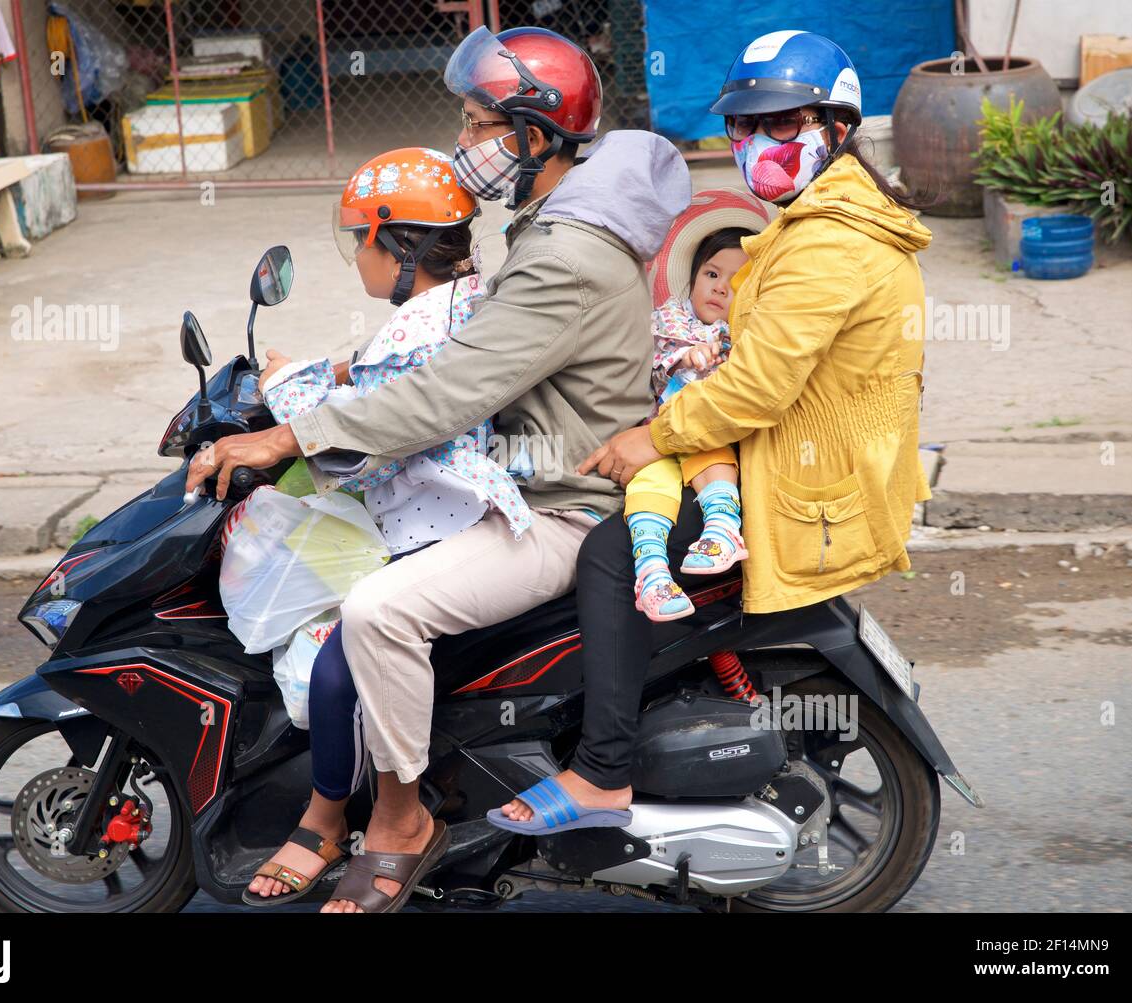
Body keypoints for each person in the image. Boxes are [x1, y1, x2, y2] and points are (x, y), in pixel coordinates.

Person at [185, 25, 690, 912]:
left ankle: (401, 820)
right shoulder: (557, 226)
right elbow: (463, 342)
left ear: (533, 134)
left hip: (560, 509)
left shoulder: (564, 253)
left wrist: (288, 440)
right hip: (521, 480)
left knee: (377, 610)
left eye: (478, 122)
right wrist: (335, 373)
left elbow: (450, 391)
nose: (468, 144)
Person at [493, 29, 934, 832]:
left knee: (611, 550)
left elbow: (759, 385)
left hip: (801, 483)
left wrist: (653, 436)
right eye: (743, 126)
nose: (757, 143)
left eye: (783, 124)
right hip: (802, 459)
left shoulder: (830, 240)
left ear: (837, 128)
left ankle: (600, 771)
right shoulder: (816, 219)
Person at [240, 148, 532, 905]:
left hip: (438, 527)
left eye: (360, 242)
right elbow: (367, 374)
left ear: (396, 244)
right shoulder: (460, 300)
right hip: (460, 509)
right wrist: (322, 370)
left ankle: (327, 818)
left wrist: (280, 395)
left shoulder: (416, 329)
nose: (357, 259)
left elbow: (354, 432)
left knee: (338, 670)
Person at [623, 189, 773, 623]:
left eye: (735, 281)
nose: (720, 288)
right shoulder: (670, 320)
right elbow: (654, 363)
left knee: (708, 448)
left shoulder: (750, 333)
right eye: (711, 274)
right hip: (658, 432)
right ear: (692, 277)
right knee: (648, 486)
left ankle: (722, 527)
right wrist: (683, 358)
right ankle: (651, 570)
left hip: (705, 433)